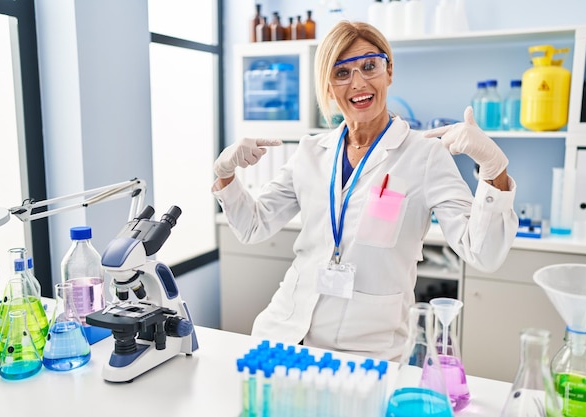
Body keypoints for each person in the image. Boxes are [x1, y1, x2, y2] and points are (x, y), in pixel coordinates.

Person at [212, 21, 518, 361]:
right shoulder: (312, 152)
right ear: (328, 87)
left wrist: (495, 171)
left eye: (370, 66)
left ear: (389, 72)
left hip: (366, 348)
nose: (358, 82)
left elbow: (483, 253)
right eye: (341, 72)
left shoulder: (425, 156)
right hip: (283, 333)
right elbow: (254, 227)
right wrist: (225, 174)